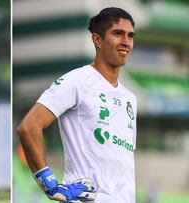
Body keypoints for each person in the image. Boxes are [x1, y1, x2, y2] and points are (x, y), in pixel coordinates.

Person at [17, 7, 136, 203]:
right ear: (97, 40)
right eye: (118, 34)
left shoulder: (130, 97)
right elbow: (28, 127)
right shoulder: (76, 81)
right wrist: (50, 185)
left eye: (130, 36)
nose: (126, 42)